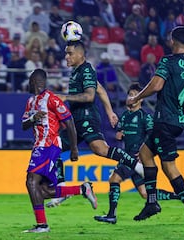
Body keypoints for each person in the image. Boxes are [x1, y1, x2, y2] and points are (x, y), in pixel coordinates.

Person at [127, 26, 184, 232]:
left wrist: (136, 97)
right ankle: (151, 202)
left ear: (171, 41)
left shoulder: (168, 61)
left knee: (169, 167)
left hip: (164, 120)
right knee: (145, 154)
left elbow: (156, 85)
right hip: (177, 121)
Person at [47, 40, 144, 206]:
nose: (66, 57)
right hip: (76, 120)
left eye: (70, 53)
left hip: (86, 116)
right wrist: (110, 111)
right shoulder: (78, 71)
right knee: (52, 148)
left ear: (80, 54)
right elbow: (100, 89)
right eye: (66, 53)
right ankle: (62, 189)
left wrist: (66, 97)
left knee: (100, 149)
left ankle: (135, 165)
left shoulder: (86, 70)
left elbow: (90, 95)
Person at [21, 69, 97, 233]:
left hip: (49, 145)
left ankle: (42, 225)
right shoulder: (31, 101)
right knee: (43, 190)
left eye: (30, 80)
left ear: (35, 81)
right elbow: (24, 125)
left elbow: (69, 122)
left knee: (31, 181)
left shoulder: (52, 99)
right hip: (39, 145)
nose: (28, 83)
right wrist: (34, 118)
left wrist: (74, 148)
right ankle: (82, 189)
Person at [94, 83, 180, 224]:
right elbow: (121, 132)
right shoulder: (125, 115)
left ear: (140, 99)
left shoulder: (145, 117)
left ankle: (111, 215)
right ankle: (178, 195)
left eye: (135, 94)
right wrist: (120, 133)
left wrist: (144, 153)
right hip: (127, 155)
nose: (131, 97)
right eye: (130, 94)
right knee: (145, 193)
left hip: (134, 157)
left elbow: (152, 135)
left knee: (114, 179)